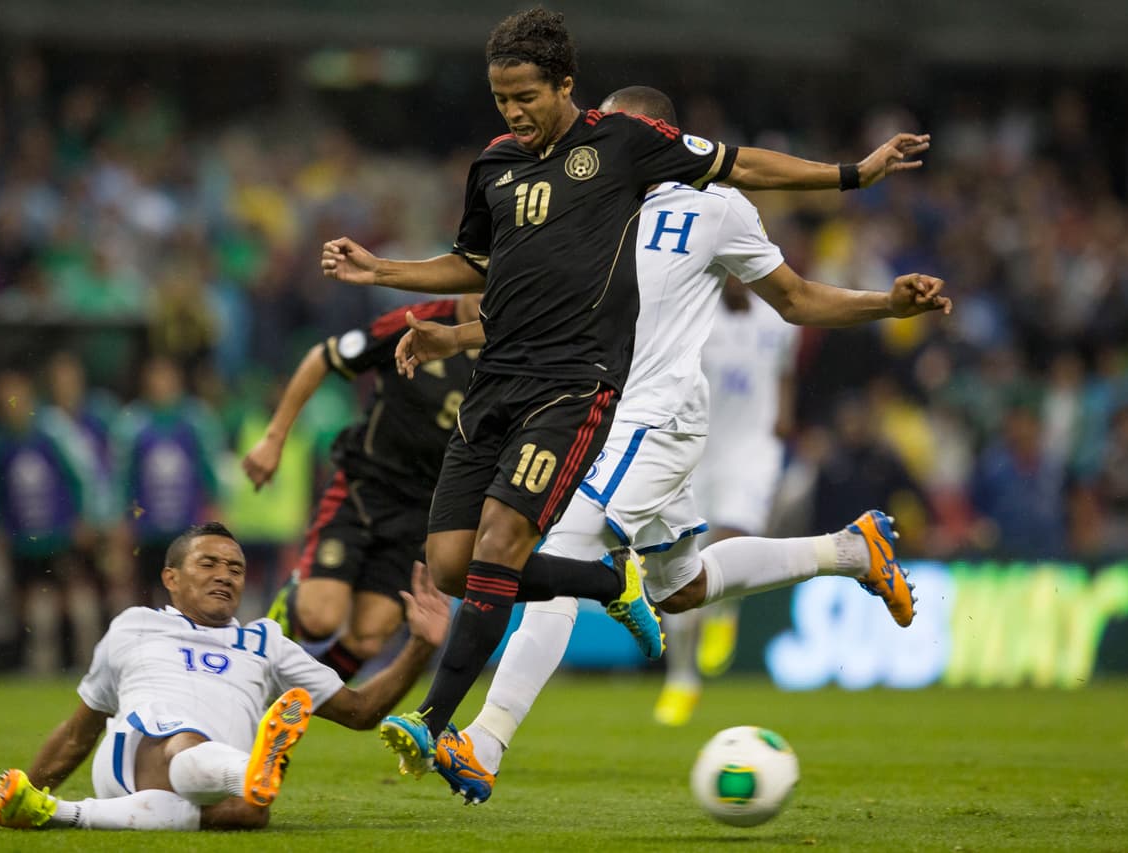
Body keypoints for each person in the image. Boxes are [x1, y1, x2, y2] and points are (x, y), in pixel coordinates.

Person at [322, 8, 932, 779]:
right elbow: (541, 307)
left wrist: (884, 290)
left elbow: (798, 297)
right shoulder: (566, 195)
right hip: (583, 402)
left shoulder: (711, 209)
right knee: (684, 585)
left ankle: (483, 738)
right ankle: (848, 549)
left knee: (555, 547)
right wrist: (453, 334)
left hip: (654, 412)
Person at [0, 521, 450, 832]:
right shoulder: (134, 626)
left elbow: (360, 711)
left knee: (250, 813)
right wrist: (34, 777)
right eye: (208, 564)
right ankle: (251, 769)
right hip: (133, 755)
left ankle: (58, 813)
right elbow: (76, 734)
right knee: (185, 743)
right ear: (171, 577)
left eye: (236, 569)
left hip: (204, 793)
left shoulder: (265, 641)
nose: (224, 575)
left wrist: (420, 646)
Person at [242, 295, 482, 680]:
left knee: (370, 637)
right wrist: (274, 438)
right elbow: (324, 356)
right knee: (319, 617)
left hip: (425, 512)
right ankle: (276, 629)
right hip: (365, 487)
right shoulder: (417, 322)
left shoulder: (513, 349)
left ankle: (294, 699)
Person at [653, 278, 799, 726]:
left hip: (752, 449)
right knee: (681, 564)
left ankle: (724, 611)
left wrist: (784, 412)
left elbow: (784, 372)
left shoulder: (779, 319)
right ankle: (681, 677)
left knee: (732, 532)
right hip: (697, 451)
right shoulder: (695, 315)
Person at [0, 370, 92, 672]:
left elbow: (77, 475)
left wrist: (82, 517)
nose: (10, 401)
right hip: (19, 536)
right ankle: (21, 662)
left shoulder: (52, 432)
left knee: (63, 597)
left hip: (57, 533)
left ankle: (68, 662)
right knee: (20, 600)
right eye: (4, 395)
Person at [111, 355, 224, 606]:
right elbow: (123, 477)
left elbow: (210, 470)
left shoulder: (196, 420)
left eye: (166, 377)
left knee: (188, 596)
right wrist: (122, 521)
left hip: (187, 527)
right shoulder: (133, 423)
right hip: (147, 529)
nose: (160, 384)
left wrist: (217, 511)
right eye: (155, 377)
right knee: (147, 596)